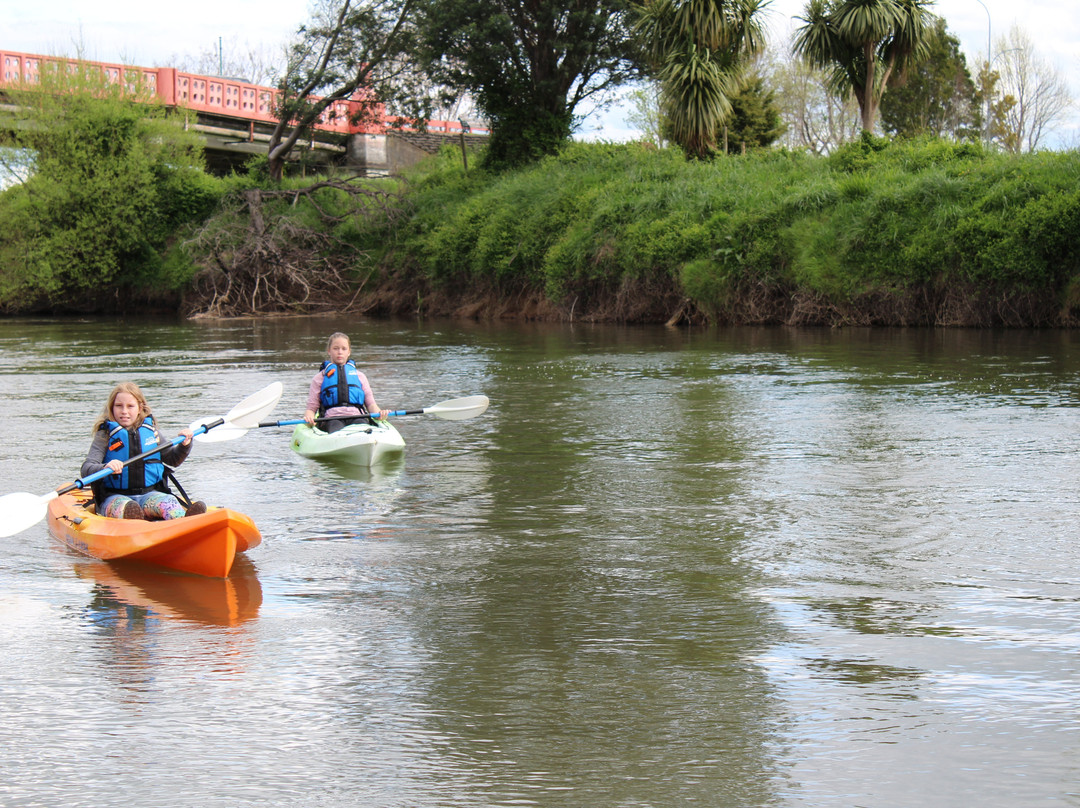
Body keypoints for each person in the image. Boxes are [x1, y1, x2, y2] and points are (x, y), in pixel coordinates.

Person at [81, 382, 206, 520]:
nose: (124, 411)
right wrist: (105, 467)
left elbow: (173, 459)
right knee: (128, 507)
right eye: (119, 406)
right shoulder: (104, 435)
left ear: (140, 408)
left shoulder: (151, 432)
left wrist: (185, 444)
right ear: (112, 407)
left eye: (130, 406)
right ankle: (136, 523)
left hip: (150, 495)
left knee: (169, 504)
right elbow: (86, 469)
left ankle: (187, 523)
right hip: (114, 497)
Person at [304, 332, 391, 433]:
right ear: (329, 351)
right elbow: (311, 408)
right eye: (335, 348)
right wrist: (309, 419)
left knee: (364, 429)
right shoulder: (319, 378)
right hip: (332, 419)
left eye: (344, 349)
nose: (340, 352)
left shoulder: (360, 376)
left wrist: (380, 414)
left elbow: (371, 404)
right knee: (336, 429)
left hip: (357, 417)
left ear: (349, 352)